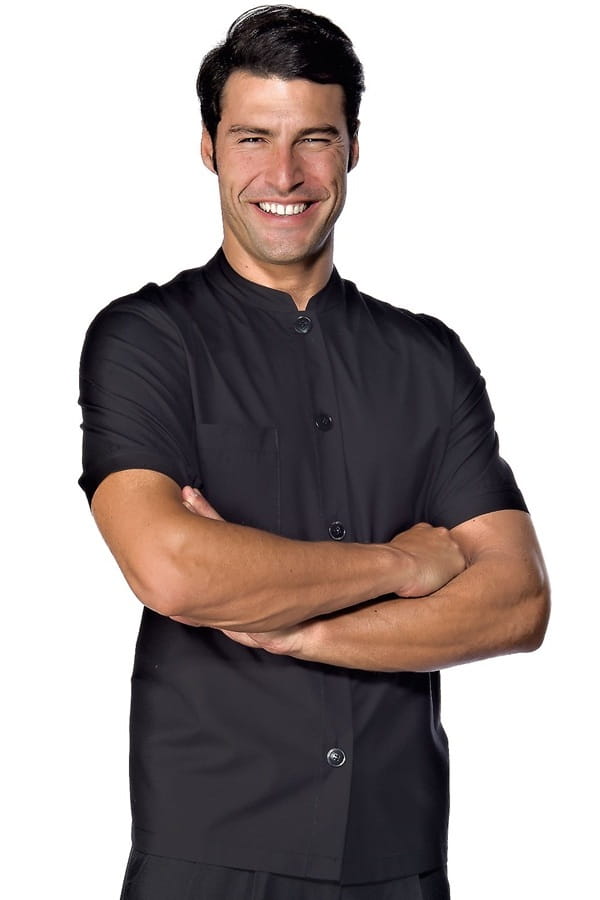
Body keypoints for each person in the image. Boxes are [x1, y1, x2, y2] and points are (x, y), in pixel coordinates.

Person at [78, 6, 550, 899]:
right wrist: (404, 565)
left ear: (354, 149)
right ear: (210, 148)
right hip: (211, 857)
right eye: (253, 138)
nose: (284, 175)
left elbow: (517, 602)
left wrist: (295, 631)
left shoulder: (429, 359)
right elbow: (172, 568)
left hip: (397, 854)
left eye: (316, 140)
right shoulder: (146, 339)